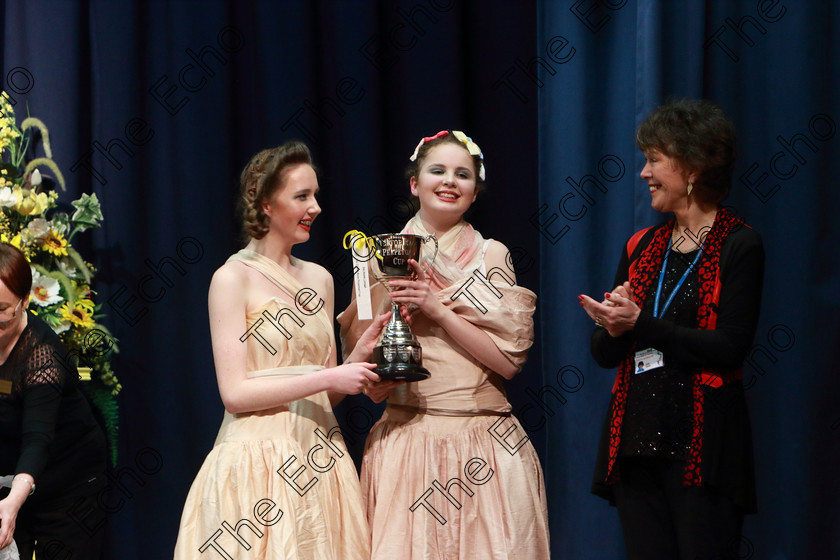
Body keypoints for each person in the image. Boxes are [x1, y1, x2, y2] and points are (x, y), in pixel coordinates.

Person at [339, 130, 550, 559]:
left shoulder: (491, 255)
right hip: (406, 440)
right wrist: (376, 378)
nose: (450, 181)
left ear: (475, 191)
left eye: (463, 174)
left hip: (484, 441)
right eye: (438, 171)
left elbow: (509, 363)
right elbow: (361, 358)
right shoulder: (381, 257)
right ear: (415, 184)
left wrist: (437, 310)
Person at [174, 142, 388, 560]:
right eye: (302, 196)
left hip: (319, 455)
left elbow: (327, 393)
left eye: (316, 195)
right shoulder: (232, 279)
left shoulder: (320, 279)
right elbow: (234, 394)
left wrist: (357, 358)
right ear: (267, 204)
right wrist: (329, 376)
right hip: (256, 461)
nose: (317, 207)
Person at [579, 99, 764, 560]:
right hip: (637, 442)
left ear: (694, 165)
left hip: (703, 449)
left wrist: (642, 324)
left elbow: (730, 347)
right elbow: (603, 354)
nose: (644, 172)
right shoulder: (643, 246)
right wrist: (615, 328)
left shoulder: (739, 244)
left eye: (654, 159)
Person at [0, 242, 108, 559]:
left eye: (1, 310)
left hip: (69, 486)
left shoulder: (42, 356)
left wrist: (12, 502)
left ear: (25, 301)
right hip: (9, 479)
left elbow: (37, 439)